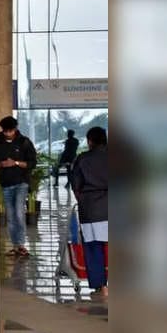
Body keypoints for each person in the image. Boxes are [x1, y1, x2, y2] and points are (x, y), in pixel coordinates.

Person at [0, 116, 37, 257]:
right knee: (10, 216)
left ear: (15, 129)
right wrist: (1, 164)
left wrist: (15, 163)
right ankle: (15, 246)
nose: (7, 133)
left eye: (10, 131)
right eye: (5, 131)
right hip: (6, 184)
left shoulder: (24, 142)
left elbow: (32, 163)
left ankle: (21, 244)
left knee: (18, 212)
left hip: (21, 182)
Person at [70, 127, 108, 297]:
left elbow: (76, 185)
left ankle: (101, 286)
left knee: (93, 248)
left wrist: (83, 200)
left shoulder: (82, 159)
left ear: (89, 141)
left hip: (91, 209)